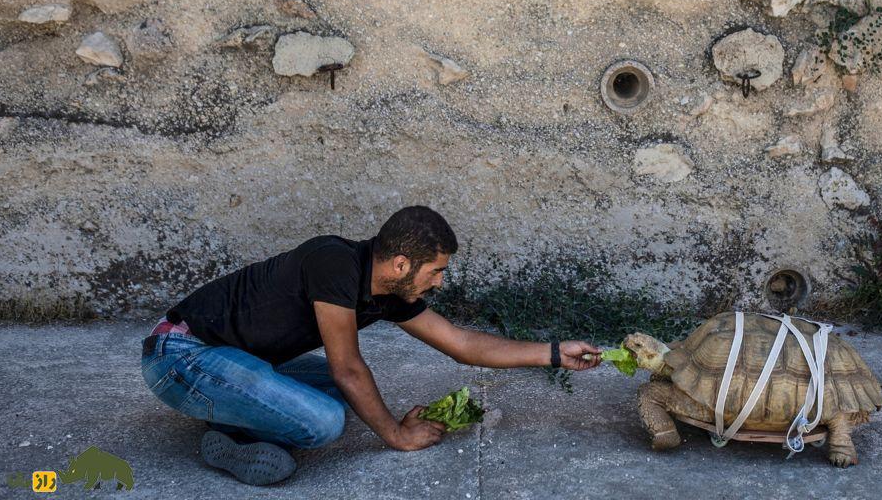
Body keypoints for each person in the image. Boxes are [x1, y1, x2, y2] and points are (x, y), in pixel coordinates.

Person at [139, 205, 602, 486]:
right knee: (326, 420)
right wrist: (396, 435)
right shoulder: (334, 263)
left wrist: (556, 353)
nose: (440, 281)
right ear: (401, 263)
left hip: (236, 361)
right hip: (181, 356)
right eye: (436, 270)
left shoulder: (388, 291)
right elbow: (348, 367)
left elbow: (461, 344)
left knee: (355, 399)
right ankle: (228, 441)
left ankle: (234, 426)